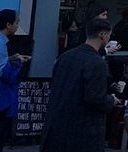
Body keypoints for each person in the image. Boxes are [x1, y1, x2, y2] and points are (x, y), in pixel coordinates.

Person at [42, 18, 119, 152]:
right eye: (109, 35)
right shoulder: (97, 63)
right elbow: (95, 98)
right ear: (103, 35)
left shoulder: (65, 56)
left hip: (55, 126)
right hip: (81, 131)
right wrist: (111, 100)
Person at [0, 9, 29, 152]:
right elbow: (0, 72)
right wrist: (17, 63)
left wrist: (10, 58)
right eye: (17, 22)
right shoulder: (0, 44)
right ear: (8, 24)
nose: (18, 25)